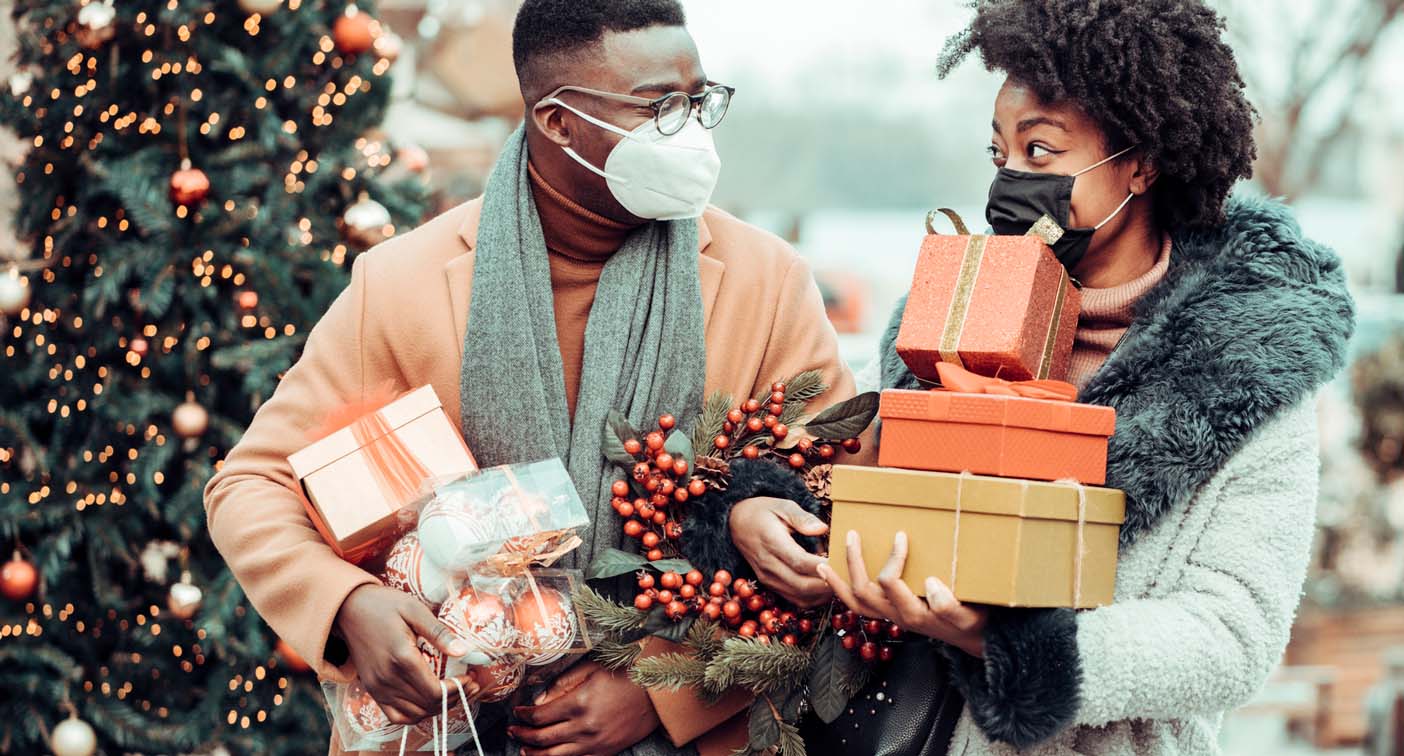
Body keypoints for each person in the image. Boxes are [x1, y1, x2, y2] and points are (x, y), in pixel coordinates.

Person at [203, 1, 856, 754]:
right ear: (556, 122)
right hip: (454, 724)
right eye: (659, 109)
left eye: (699, 101)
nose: (693, 132)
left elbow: (840, 504)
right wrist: (347, 605)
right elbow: (250, 485)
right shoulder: (400, 283)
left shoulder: (765, 281)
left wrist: (664, 685)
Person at [737, 1, 1356, 754]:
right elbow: (882, 502)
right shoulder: (937, 331)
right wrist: (781, 521)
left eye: (1040, 152)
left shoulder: (1250, 367)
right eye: (999, 154)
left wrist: (1007, 641)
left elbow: (1231, 635)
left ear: (1141, 161)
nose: (1010, 180)